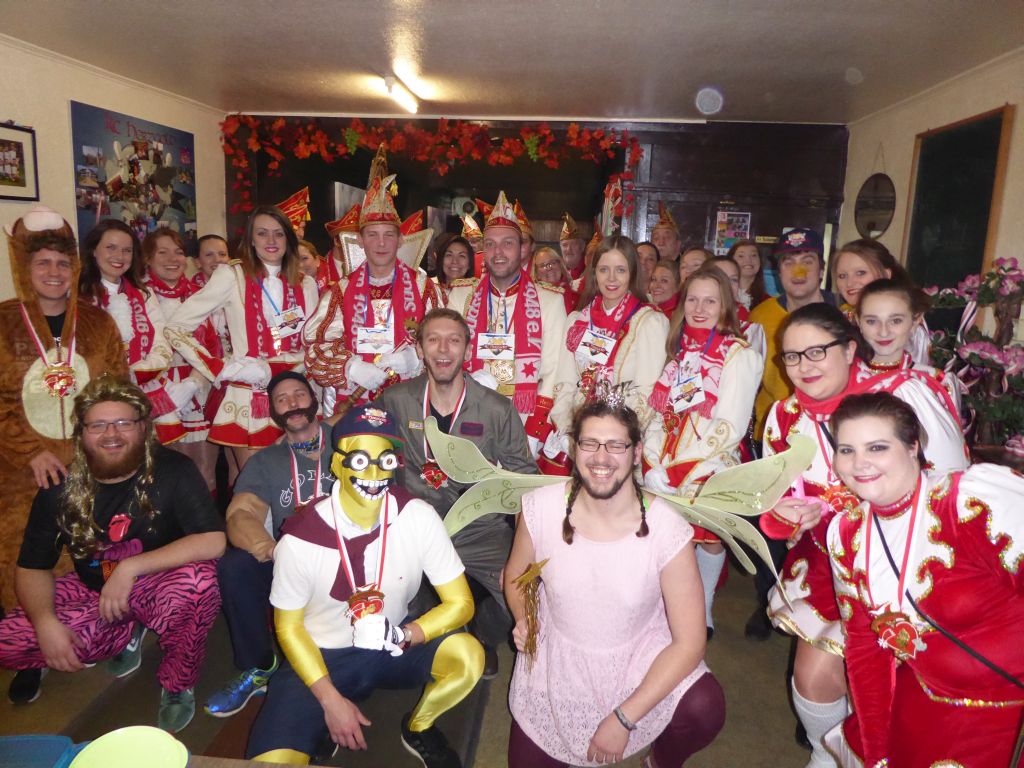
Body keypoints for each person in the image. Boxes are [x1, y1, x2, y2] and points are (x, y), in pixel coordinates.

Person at [759, 304, 967, 768]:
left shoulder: (903, 394)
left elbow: (953, 485)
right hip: (830, 561)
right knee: (812, 678)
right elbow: (777, 494)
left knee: (894, 688)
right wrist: (786, 514)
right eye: (791, 356)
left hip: (912, 558)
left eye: (817, 351)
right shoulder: (784, 416)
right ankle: (828, 754)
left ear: (851, 349)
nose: (804, 366)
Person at [245, 403, 483, 766]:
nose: (374, 473)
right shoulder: (300, 540)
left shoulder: (417, 517)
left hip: (392, 642)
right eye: (359, 460)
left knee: (468, 656)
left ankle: (419, 726)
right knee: (270, 761)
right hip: (320, 656)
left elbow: (461, 603)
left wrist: (406, 634)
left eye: (385, 461)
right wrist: (329, 700)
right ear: (337, 464)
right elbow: (288, 627)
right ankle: (320, 721)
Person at [505, 398, 725, 767]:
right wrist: (523, 617)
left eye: (616, 445)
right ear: (575, 448)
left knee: (705, 707)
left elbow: (690, 642)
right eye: (590, 443)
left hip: (638, 654)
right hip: (559, 660)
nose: (601, 457)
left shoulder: (667, 529)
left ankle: (659, 762)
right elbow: (516, 575)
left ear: (637, 452)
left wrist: (624, 718)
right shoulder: (540, 507)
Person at [0, 375, 225, 732]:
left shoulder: (173, 470)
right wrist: (45, 623)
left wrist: (130, 568)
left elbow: (213, 540)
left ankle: (178, 682)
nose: (111, 434)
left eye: (123, 423)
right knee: (8, 639)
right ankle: (123, 632)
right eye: (98, 425)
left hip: (158, 584)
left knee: (199, 583)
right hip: (93, 589)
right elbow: (32, 567)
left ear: (143, 428)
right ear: (81, 433)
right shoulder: (59, 488)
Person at [827, 392, 1024, 767]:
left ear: (913, 446)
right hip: (930, 700)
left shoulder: (969, 501)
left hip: (1012, 716)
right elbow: (865, 651)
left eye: (877, 447)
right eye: (846, 450)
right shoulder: (847, 534)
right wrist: (877, 751)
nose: (859, 463)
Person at [0, 207, 127, 710]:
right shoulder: (3, 322)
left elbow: (117, 390)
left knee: (91, 548)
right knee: (21, 554)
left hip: (89, 461)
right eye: (42, 264)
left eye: (61, 263)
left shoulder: (97, 323)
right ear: (25, 270)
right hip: (20, 470)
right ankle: (31, 650)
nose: (53, 273)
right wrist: (29, 452)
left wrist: (106, 450)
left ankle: (93, 631)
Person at [377, 308, 538, 678]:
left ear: (467, 350)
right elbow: (372, 452)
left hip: (479, 528)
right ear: (420, 350)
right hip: (416, 527)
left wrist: (522, 551)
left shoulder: (496, 408)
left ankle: (482, 636)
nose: (443, 349)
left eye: (454, 340)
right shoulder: (396, 400)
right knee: (393, 607)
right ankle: (443, 640)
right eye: (433, 340)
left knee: (524, 590)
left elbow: (524, 479)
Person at [204, 371, 336, 717]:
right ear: (273, 412)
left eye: (299, 394)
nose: (292, 403)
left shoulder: (348, 441)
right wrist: (273, 550)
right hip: (291, 560)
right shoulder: (265, 461)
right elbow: (240, 514)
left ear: (314, 399)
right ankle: (259, 665)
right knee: (235, 566)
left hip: (352, 556)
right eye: (281, 399)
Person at [643, 266, 763, 637]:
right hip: (665, 459)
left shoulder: (740, 355)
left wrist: (677, 471)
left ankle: (704, 606)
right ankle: (668, 606)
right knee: (665, 538)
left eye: (710, 301)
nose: (699, 308)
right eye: (693, 299)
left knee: (708, 538)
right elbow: (660, 414)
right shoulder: (679, 351)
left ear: (725, 305)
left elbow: (730, 428)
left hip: (710, 460)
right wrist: (650, 461)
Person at [163, 205, 318, 469]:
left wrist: (297, 365)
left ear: (288, 240)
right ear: (251, 240)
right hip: (251, 396)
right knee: (256, 481)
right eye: (262, 233)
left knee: (302, 475)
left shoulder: (306, 283)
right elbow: (176, 327)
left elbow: (312, 341)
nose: (271, 241)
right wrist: (221, 368)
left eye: (279, 234)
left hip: (297, 396)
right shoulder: (231, 276)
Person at [302, 174, 442, 415]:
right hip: (355, 404)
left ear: (400, 240)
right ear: (360, 240)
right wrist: (351, 367)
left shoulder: (424, 288)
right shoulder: (341, 290)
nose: (381, 243)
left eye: (389, 235)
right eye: (372, 235)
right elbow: (316, 348)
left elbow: (446, 341)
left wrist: (416, 357)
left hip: (411, 402)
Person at [446, 191, 568, 454]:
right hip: (468, 412)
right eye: (490, 244)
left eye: (507, 243)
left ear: (523, 248)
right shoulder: (460, 296)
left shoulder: (550, 300)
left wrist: (535, 432)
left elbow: (554, 373)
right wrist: (467, 382)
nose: (498, 252)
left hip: (523, 418)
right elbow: (446, 357)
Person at [545, 236, 668, 470]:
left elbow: (648, 394)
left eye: (620, 270)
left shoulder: (648, 322)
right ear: (594, 273)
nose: (611, 278)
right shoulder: (578, 320)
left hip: (622, 443)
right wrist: (570, 432)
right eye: (604, 270)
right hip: (579, 438)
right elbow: (565, 383)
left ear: (632, 273)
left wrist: (611, 439)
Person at [141, 227, 218, 488]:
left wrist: (194, 383)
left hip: (199, 386)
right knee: (164, 476)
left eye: (178, 252)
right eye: (162, 252)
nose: (172, 259)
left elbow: (213, 346)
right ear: (148, 258)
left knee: (204, 473)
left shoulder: (200, 295)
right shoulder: (139, 297)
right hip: (157, 390)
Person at [748, 228, 839, 442]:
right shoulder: (760, 317)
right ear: (779, 273)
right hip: (774, 433)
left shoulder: (844, 313)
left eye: (807, 262)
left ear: (821, 270)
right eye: (788, 263)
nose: (798, 271)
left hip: (832, 430)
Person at [79, 219, 173, 389]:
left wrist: (136, 373)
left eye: (127, 250)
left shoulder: (144, 294)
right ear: (93, 250)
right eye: (111, 247)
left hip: (143, 387)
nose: (120, 256)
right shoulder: (78, 297)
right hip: (93, 389)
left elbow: (161, 345)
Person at [855, 278, 961, 417]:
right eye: (871, 321)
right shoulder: (843, 378)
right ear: (859, 322)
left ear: (915, 321)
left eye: (896, 321)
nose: (883, 332)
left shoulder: (936, 383)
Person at [831, 238, 930, 364]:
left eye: (861, 273)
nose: (850, 283)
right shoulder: (841, 318)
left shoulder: (909, 324)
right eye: (842, 276)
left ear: (886, 274)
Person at [531, 245, 577, 313]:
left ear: (560, 265)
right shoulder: (532, 300)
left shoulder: (577, 299)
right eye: (543, 265)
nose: (549, 268)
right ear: (536, 274)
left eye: (552, 263)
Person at [728, 239, 769, 309]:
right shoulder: (721, 296)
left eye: (753, 255)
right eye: (741, 256)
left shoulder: (767, 302)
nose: (748, 260)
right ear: (730, 261)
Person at [432, 234, 474, 300]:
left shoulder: (479, 294)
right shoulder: (431, 292)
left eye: (461, 256)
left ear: (469, 263)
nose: (455, 261)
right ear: (440, 260)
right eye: (449, 255)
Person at [558, 213, 586, 282]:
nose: (568, 249)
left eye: (573, 244)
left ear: (582, 247)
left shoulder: (590, 272)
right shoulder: (555, 271)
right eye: (564, 245)